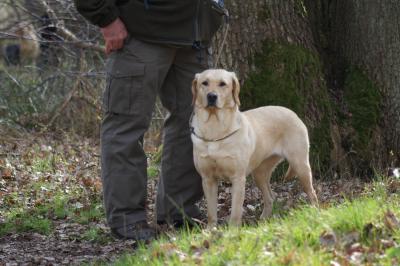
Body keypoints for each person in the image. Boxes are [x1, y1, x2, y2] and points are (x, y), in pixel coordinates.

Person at [74, 0, 225, 242]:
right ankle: (128, 220)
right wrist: (106, 18)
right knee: (125, 128)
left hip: (194, 39)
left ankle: (179, 212)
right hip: (140, 35)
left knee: (193, 127)